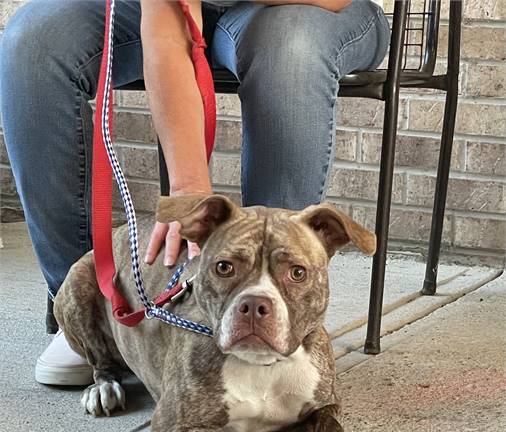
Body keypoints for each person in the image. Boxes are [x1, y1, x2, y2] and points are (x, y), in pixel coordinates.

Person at [0, 0, 390, 385]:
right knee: (32, 44)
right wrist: (189, 191)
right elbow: (168, 36)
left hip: (310, 9)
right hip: (162, 10)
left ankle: (277, 315)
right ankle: (87, 317)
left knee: (289, 43)